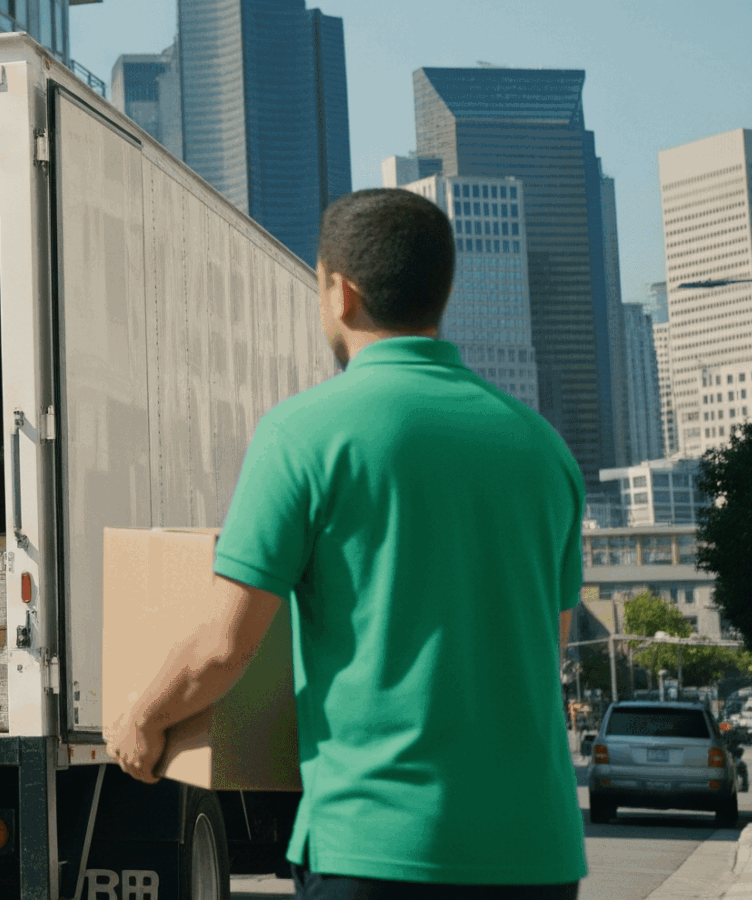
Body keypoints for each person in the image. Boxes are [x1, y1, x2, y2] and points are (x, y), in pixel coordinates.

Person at [104, 188, 586, 898]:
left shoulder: (305, 435)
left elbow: (224, 645)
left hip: (377, 846)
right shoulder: (544, 450)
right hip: (537, 854)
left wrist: (143, 719)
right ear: (441, 292)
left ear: (341, 292)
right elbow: (549, 644)